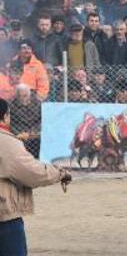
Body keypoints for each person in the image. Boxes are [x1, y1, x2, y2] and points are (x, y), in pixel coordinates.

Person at [0, 98, 72, 256]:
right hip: (4, 217)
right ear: (5, 116)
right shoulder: (6, 142)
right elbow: (31, 172)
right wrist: (60, 173)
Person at [9, 85, 42, 158]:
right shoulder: (12, 106)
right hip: (20, 132)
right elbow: (11, 123)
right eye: (20, 96)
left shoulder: (37, 104)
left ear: (29, 95)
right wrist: (19, 133)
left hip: (34, 132)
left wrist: (32, 132)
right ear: (17, 96)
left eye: (25, 96)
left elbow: (41, 120)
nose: (23, 98)